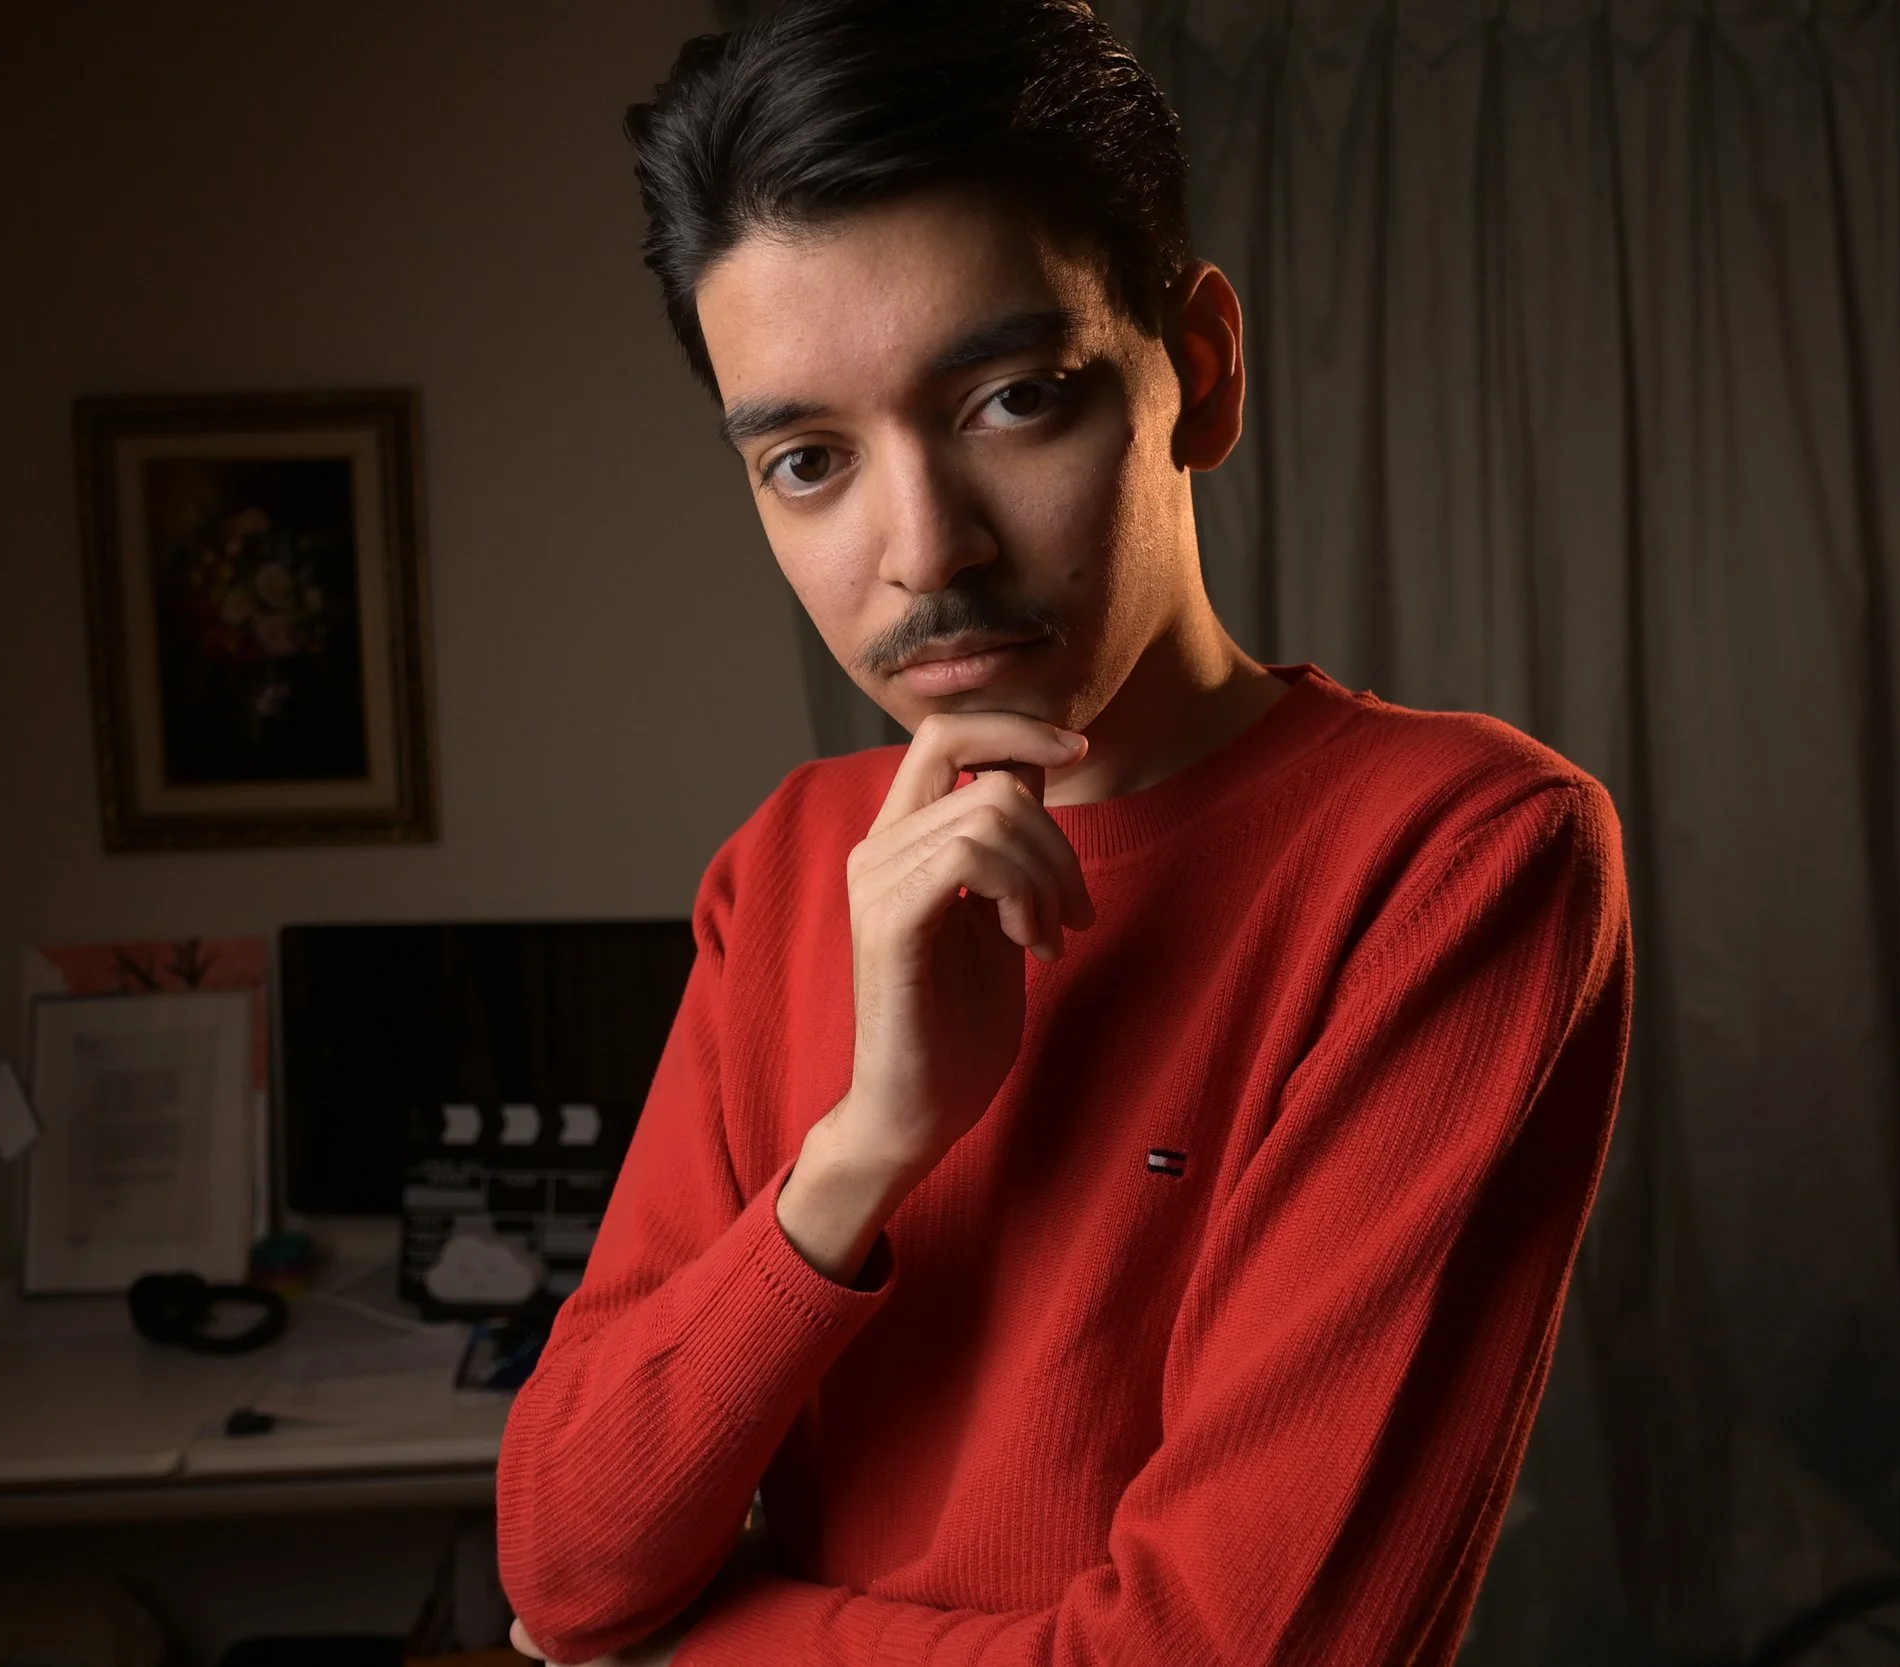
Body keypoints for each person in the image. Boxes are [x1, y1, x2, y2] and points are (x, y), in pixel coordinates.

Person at [497, 2, 1632, 1661]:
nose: (925, 551)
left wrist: (683, 1648)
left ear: (1202, 372)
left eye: (1014, 398)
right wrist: (870, 1142)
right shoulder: (792, 861)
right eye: (809, 459)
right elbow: (568, 1564)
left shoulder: (1458, 856)